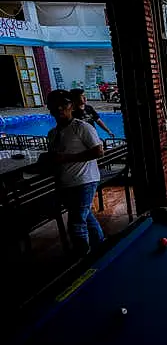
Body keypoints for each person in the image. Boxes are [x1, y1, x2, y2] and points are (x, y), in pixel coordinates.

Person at [42, 89, 105, 255]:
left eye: (64, 105)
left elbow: (98, 151)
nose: (60, 109)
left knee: (76, 223)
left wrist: (67, 158)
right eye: (56, 106)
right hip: (66, 183)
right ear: (50, 110)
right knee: (86, 218)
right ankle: (101, 248)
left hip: (85, 181)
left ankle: (82, 262)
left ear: (71, 106)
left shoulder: (82, 127)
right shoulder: (53, 134)